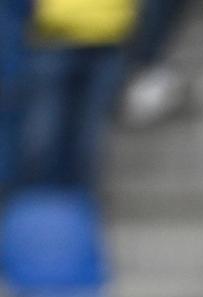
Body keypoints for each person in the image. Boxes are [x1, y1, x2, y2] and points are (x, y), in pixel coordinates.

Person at [13, 0, 138, 192]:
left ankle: (75, 210)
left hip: (109, 36)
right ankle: (35, 207)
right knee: (43, 135)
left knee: (87, 139)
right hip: (55, 33)